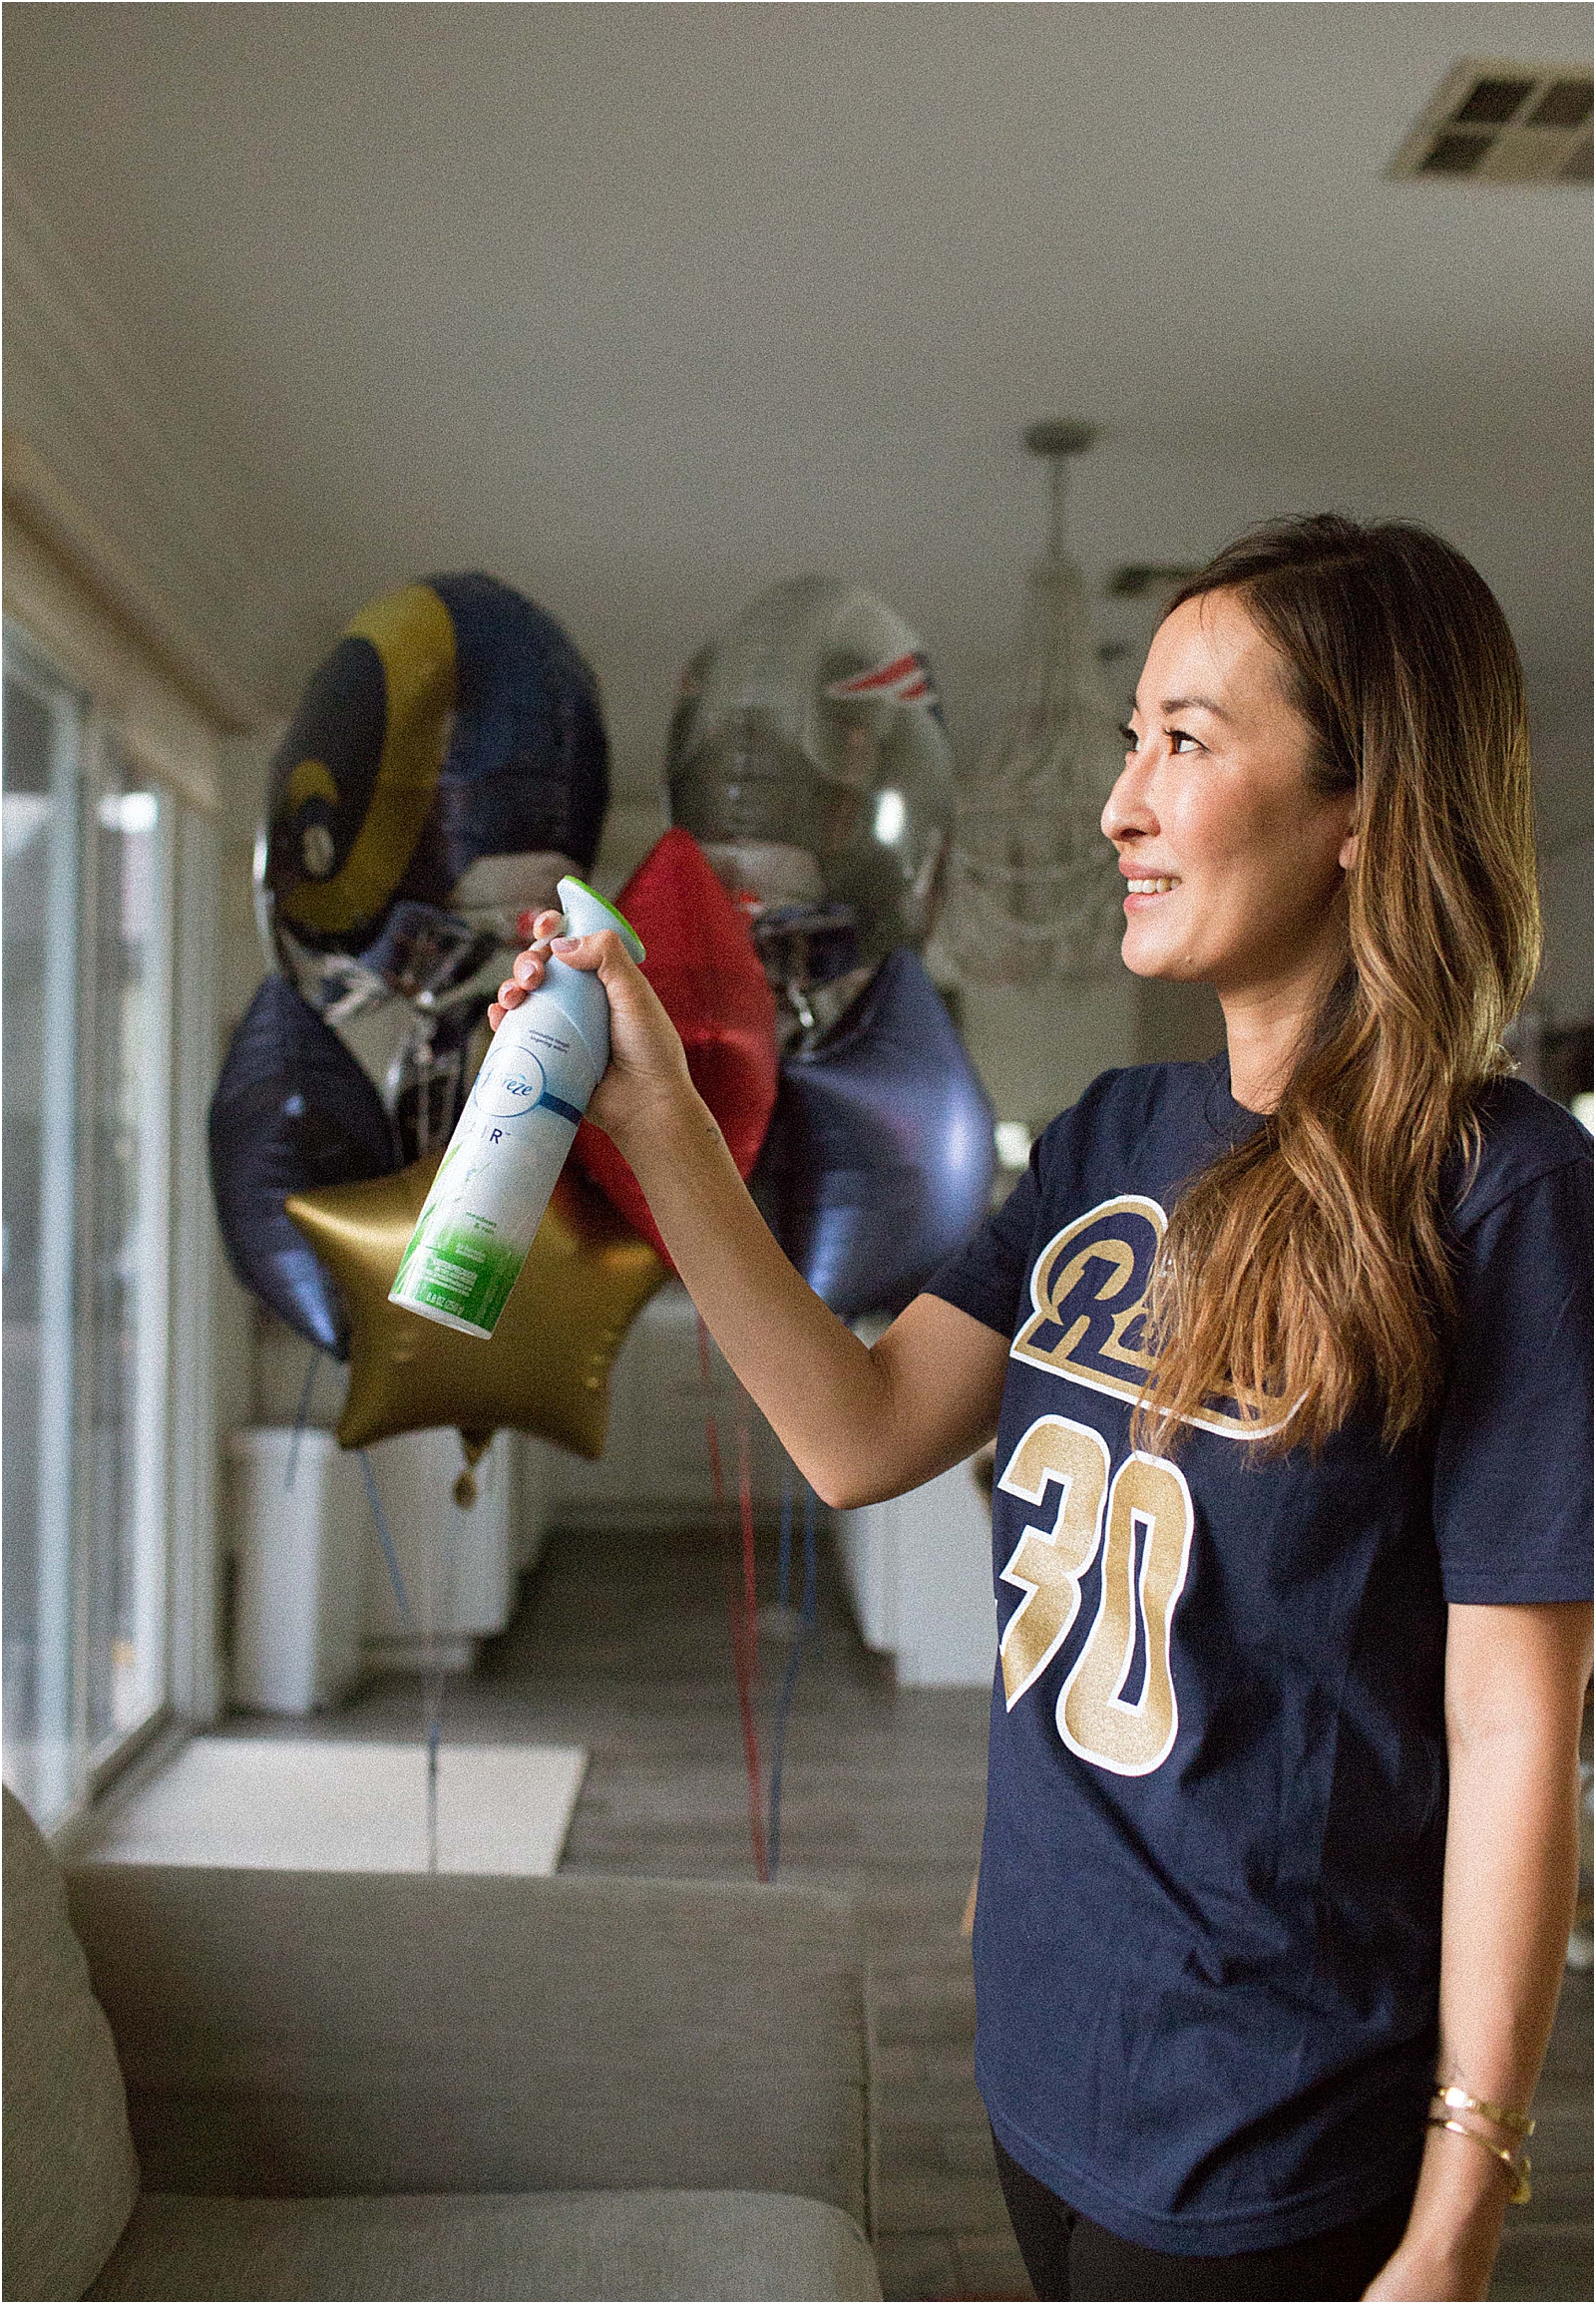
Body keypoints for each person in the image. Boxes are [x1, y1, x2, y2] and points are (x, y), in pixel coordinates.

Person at [490, 515, 1593, 2303]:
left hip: (1279, 2110)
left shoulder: (1503, 1196)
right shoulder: (1101, 1143)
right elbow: (855, 1436)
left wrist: (1473, 2173)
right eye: (1125, 742)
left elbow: (1517, 1728)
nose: (1119, 810)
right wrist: (655, 1122)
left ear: (1363, 811)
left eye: (1184, 741)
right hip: (1042, 2052)